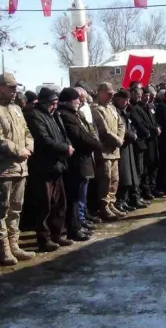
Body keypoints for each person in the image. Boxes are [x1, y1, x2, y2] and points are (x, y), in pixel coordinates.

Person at [0, 73, 36, 266]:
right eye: (11, 87)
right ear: (0, 87)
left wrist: (29, 146)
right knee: (1, 210)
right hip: (4, 168)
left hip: (21, 167)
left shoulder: (15, 108)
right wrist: (17, 150)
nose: (15, 91)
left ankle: (14, 244)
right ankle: (2, 248)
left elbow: (27, 131)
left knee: (16, 208)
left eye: (16, 88)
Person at [22, 87, 74, 252]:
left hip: (57, 165)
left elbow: (61, 135)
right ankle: (44, 239)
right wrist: (64, 149)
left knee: (59, 203)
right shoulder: (34, 116)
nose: (55, 106)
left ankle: (57, 234)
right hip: (43, 167)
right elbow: (43, 140)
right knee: (44, 205)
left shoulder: (52, 116)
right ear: (44, 103)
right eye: (52, 103)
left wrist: (67, 146)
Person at [57, 87, 102, 241]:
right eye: (77, 99)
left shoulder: (74, 114)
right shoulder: (66, 115)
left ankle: (77, 226)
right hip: (76, 161)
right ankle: (73, 228)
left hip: (83, 160)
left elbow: (88, 131)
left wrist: (94, 141)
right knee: (74, 198)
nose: (80, 101)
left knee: (78, 197)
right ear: (70, 100)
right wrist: (96, 144)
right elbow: (80, 136)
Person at [91, 83, 125, 220]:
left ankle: (111, 204)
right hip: (104, 151)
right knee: (105, 179)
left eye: (112, 94)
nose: (111, 96)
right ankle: (103, 207)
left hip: (115, 151)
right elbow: (103, 130)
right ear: (100, 92)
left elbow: (121, 124)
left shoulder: (111, 108)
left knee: (114, 180)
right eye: (108, 93)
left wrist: (120, 138)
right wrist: (117, 140)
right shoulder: (95, 108)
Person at [113, 89, 144, 211]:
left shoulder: (126, 111)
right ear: (118, 99)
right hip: (122, 146)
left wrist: (133, 133)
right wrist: (129, 135)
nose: (126, 102)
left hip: (129, 146)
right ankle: (119, 201)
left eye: (127, 100)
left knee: (130, 174)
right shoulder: (115, 111)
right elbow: (119, 128)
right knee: (123, 174)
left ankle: (125, 200)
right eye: (124, 100)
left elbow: (130, 125)